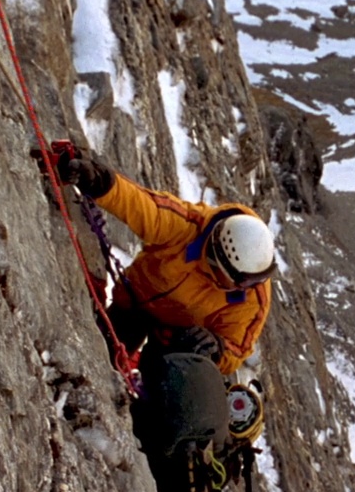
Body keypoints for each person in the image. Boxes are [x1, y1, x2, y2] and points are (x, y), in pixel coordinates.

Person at [51, 143, 275, 375]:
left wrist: (217, 348)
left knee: (163, 384)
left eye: (251, 282)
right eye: (241, 282)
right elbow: (143, 206)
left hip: (177, 339)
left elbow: (236, 350)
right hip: (135, 302)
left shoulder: (253, 296)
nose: (247, 288)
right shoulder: (189, 227)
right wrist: (99, 181)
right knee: (101, 358)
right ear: (218, 261)